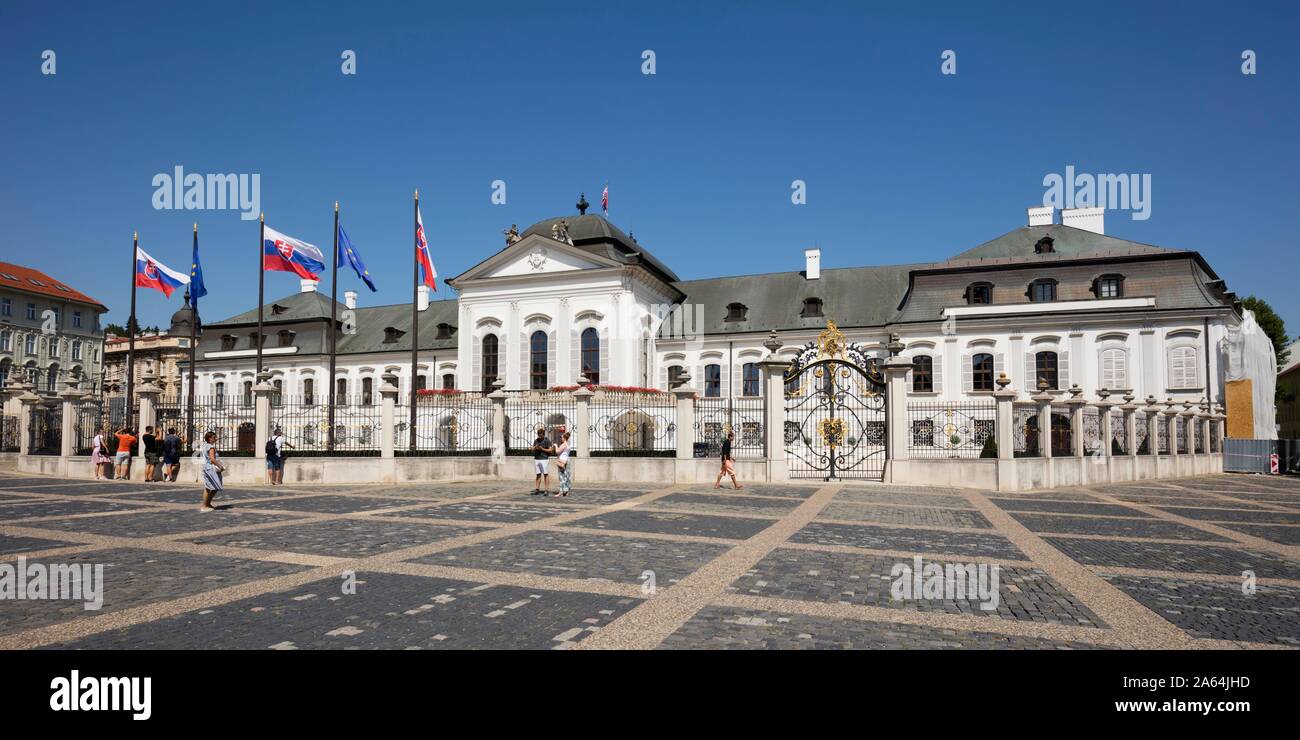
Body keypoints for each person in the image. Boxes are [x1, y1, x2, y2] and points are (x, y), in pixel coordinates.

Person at [199, 430, 225, 511]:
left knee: (211, 487)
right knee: (210, 487)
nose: (216, 439)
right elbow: (212, 459)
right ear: (209, 439)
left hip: (207, 468)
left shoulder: (205, 446)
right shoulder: (211, 447)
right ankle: (204, 505)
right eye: (214, 437)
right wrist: (220, 466)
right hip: (211, 469)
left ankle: (207, 504)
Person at [530, 427, 555, 495]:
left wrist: (542, 449)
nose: (540, 437)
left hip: (544, 459)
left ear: (543, 435)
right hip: (537, 459)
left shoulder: (547, 440)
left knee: (545, 474)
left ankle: (546, 490)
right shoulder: (536, 440)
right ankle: (537, 489)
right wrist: (535, 447)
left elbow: (550, 450)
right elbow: (532, 449)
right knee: (538, 474)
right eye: (539, 435)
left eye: (541, 435)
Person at [554, 430, 572, 497]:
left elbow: (557, 452)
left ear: (564, 438)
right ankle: (566, 491)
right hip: (567, 460)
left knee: (561, 477)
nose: (561, 439)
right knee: (567, 476)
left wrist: (555, 446)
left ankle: (561, 491)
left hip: (562, 461)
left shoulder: (563, 445)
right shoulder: (568, 444)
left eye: (561, 437)